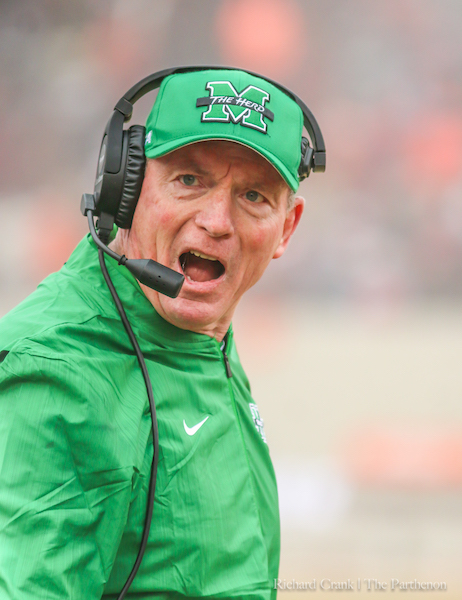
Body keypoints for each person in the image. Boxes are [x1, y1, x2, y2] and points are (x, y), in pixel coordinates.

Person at [0, 67, 324, 600]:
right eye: (189, 180)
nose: (217, 221)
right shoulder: (57, 373)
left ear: (286, 227)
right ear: (125, 190)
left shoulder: (203, 335)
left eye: (254, 196)